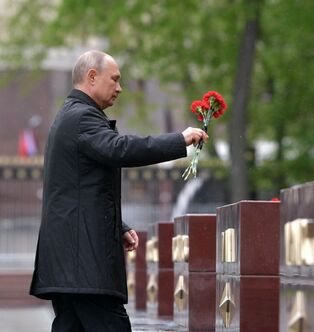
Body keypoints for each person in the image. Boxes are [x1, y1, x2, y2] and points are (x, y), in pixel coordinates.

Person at [29, 50, 208, 331]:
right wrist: (179, 140)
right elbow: (120, 149)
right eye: (114, 79)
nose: (120, 88)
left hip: (72, 265)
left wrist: (118, 225)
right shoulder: (81, 118)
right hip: (83, 266)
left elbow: (79, 187)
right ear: (91, 77)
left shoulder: (71, 116)